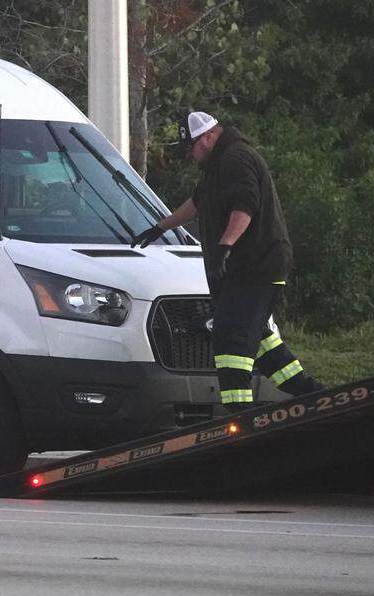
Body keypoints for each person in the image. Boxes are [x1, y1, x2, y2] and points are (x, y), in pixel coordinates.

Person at [130, 111, 324, 413]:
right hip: (243, 269)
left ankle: (240, 415)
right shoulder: (216, 166)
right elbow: (196, 203)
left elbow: (245, 205)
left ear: (208, 136)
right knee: (256, 335)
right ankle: (309, 392)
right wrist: (161, 227)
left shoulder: (236, 159)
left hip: (256, 265)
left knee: (230, 336)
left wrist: (225, 246)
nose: (191, 155)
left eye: (192, 147)